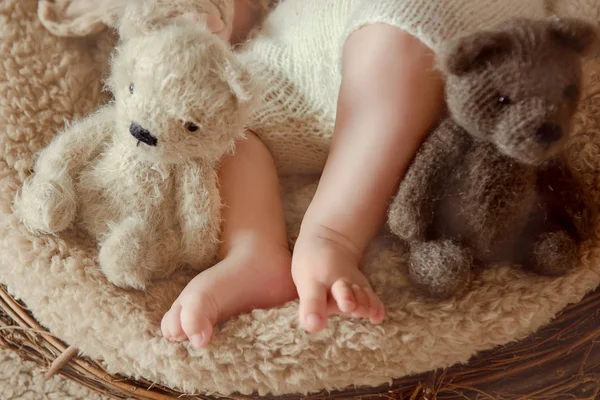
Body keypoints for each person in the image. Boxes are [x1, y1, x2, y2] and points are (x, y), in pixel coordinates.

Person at [160, 0, 549, 348]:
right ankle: (253, 251)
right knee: (205, 112)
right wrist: (216, 15)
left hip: (419, 37)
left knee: (399, 27)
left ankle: (332, 235)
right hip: (304, 47)